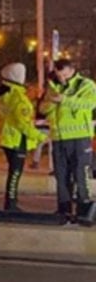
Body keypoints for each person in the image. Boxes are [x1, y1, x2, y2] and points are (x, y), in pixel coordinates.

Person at [39, 58, 96, 220]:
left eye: (63, 74)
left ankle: (84, 208)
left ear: (71, 70)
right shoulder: (52, 86)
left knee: (80, 173)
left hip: (80, 137)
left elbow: (90, 104)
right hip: (58, 138)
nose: (61, 78)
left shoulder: (85, 85)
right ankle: (63, 208)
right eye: (58, 75)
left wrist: (64, 100)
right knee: (61, 175)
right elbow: (43, 109)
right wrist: (51, 102)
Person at [0, 63, 48, 212]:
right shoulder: (18, 97)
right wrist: (40, 137)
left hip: (5, 136)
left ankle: (10, 202)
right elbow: (23, 124)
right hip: (17, 139)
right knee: (15, 173)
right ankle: (10, 204)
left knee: (13, 171)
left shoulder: (0, 93)